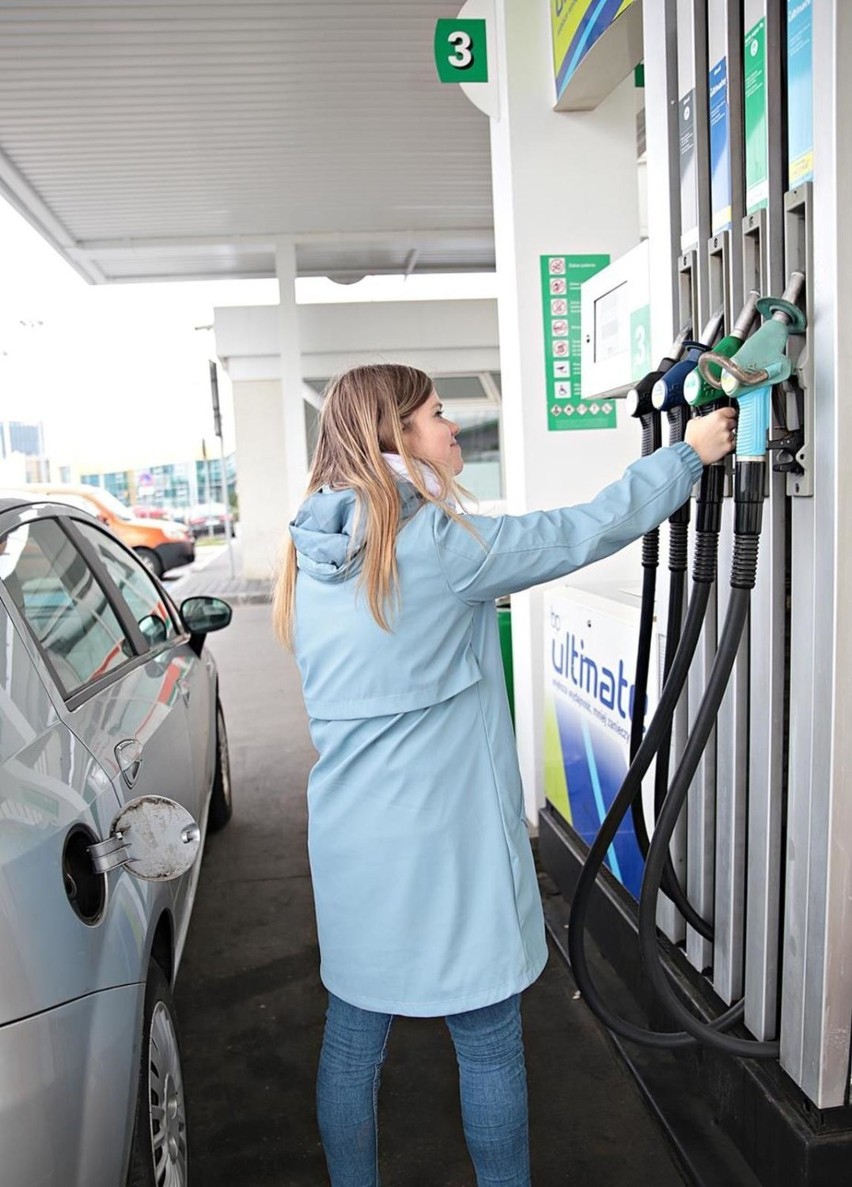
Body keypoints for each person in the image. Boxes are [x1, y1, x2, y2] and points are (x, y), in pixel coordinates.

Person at [273, 362, 736, 1187]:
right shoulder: (438, 543)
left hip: (349, 838)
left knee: (352, 1040)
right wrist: (688, 456)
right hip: (446, 839)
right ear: (397, 434)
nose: (453, 429)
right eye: (438, 414)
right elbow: (577, 529)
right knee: (485, 1035)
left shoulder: (311, 551)